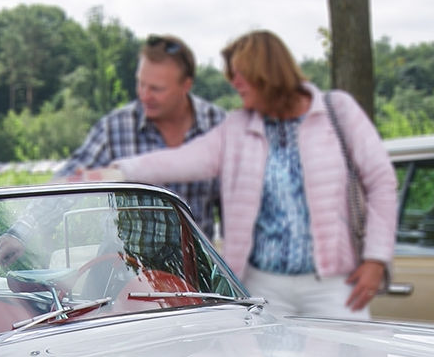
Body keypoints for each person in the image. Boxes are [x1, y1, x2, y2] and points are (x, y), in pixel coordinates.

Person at [90, 29, 397, 318]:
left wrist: (375, 259)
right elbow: (182, 159)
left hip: (332, 284)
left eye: (240, 74)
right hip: (263, 285)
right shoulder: (237, 127)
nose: (233, 82)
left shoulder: (337, 110)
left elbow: (381, 183)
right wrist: (119, 171)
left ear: (266, 73)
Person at [0, 34, 225, 267]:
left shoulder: (219, 128)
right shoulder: (116, 128)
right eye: (141, 84)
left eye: (156, 88)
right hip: (124, 263)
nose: (145, 95)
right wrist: (20, 232)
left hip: (194, 268)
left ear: (185, 86)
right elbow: (73, 180)